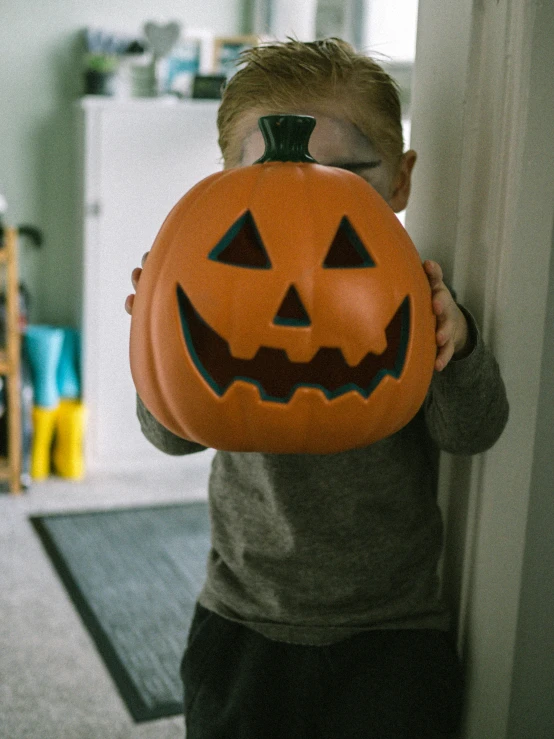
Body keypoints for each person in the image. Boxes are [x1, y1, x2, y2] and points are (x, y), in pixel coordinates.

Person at [125, 38, 509, 739]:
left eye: (341, 180)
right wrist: (160, 335)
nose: (306, 208)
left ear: (400, 180)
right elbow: (172, 432)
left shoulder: (411, 295)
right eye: (274, 179)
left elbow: (473, 431)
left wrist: (460, 346)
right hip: (242, 619)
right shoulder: (212, 276)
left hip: (391, 631)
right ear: (227, 179)